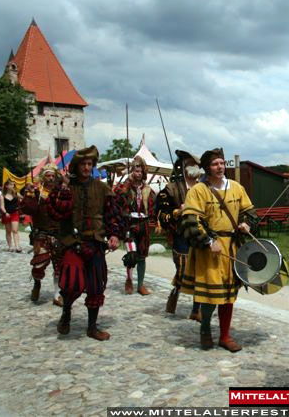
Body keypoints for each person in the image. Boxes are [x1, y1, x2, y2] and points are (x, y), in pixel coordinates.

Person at [47, 145, 127, 341]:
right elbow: (54, 213)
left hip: (96, 242)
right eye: (83, 163)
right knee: (71, 284)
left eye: (89, 164)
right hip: (72, 242)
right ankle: (66, 313)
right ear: (76, 166)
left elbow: (112, 215)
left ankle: (92, 327)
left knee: (95, 287)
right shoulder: (66, 187)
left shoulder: (102, 188)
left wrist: (115, 234)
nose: (86, 167)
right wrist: (62, 192)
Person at [181, 148, 257, 352]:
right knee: (211, 295)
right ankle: (205, 329)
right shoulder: (198, 190)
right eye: (215, 164)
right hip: (211, 250)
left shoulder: (236, 187)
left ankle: (224, 336)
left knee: (229, 294)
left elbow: (249, 212)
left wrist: (245, 224)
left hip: (232, 247)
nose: (220, 167)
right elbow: (191, 219)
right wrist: (207, 241)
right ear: (207, 168)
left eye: (222, 163)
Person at [156, 150, 202, 316]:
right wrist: (177, 211)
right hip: (180, 235)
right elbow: (161, 211)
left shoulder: (204, 188)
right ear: (183, 167)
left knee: (200, 272)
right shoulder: (171, 188)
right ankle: (176, 289)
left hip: (200, 235)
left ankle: (196, 310)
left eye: (195, 164)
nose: (193, 167)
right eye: (189, 163)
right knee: (183, 270)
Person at [21, 164, 64, 305]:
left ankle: (57, 295)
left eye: (52, 176)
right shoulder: (38, 192)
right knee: (39, 265)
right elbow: (28, 209)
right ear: (43, 177)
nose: (50, 178)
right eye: (48, 175)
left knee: (59, 266)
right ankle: (37, 284)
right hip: (41, 233)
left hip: (58, 234)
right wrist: (29, 195)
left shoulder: (61, 192)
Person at [115, 156, 155, 296]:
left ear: (143, 173)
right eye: (135, 171)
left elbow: (153, 207)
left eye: (140, 171)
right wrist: (126, 183)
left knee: (142, 256)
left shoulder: (148, 189)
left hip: (143, 224)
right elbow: (118, 198)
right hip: (130, 224)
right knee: (131, 255)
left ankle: (140, 284)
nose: (138, 173)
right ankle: (129, 280)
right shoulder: (126, 187)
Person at [0, 179, 22, 252]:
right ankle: (10, 246)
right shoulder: (2, 195)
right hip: (7, 214)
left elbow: (23, 199)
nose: (13, 186)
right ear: (6, 186)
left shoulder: (16, 194)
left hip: (15, 213)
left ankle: (17, 246)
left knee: (15, 230)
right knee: (8, 231)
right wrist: (5, 212)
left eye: (13, 184)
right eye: (11, 184)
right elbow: (2, 206)